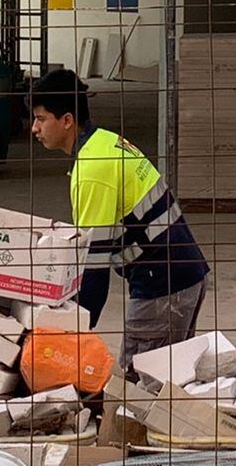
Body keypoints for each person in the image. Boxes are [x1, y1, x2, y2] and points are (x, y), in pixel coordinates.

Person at [28, 67, 208, 366]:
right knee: (167, 384)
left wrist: (72, 336)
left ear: (67, 120)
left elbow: (93, 270)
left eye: (41, 118)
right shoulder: (104, 141)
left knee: (136, 388)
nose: (34, 128)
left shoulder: (92, 170)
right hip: (181, 275)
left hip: (163, 287)